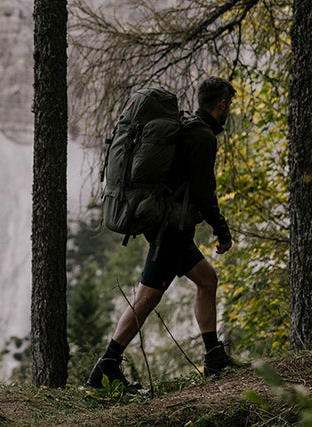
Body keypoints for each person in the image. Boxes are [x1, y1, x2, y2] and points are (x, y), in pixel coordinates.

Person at [88, 76, 245, 389]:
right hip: (170, 231)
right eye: (229, 106)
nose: (229, 111)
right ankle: (106, 366)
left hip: (172, 229)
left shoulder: (189, 129)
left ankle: (214, 355)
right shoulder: (201, 137)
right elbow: (204, 191)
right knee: (146, 299)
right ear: (223, 105)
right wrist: (222, 230)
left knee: (206, 279)